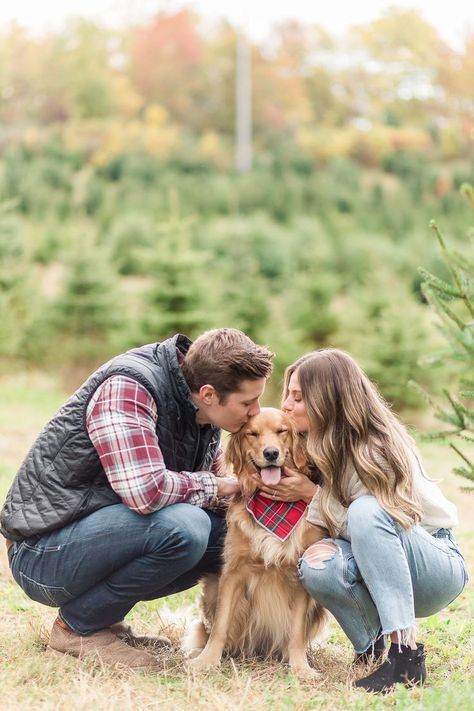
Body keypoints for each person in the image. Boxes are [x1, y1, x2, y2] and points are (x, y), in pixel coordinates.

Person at [1, 328, 274, 670]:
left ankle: (104, 619)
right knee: (185, 528)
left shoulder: (200, 407)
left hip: (98, 536)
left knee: (227, 536)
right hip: (43, 554)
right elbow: (146, 492)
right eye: (248, 402)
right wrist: (223, 486)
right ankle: (77, 628)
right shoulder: (129, 388)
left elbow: (211, 477)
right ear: (208, 393)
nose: (255, 411)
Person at [257, 347, 467, 694]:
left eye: (297, 397)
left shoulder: (376, 447)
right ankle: (370, 647)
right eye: (288, 396)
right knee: (317, 564)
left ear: (326, 401)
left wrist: (314, 496)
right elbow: (322, 532)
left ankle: (405, 654)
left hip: (432, 565)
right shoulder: (314, 445)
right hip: (377, 559)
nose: (287, 406)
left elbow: (379, 522)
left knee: (367, 510)